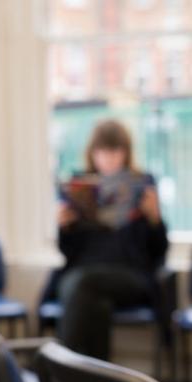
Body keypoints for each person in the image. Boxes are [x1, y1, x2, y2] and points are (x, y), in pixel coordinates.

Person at [54, 119, 169, 360]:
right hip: (82, 274)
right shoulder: (81, 187)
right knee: (97, 305)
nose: (109, 158)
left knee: (81, 283)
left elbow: (159, 252)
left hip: (128, 275)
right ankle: (97, 377)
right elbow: (67, 252)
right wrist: (64, 227)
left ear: (125, 153)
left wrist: (155, 219)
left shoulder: (142, 186)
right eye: (102, 151)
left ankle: (59, 365)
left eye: (115, 151)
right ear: (92, 153)